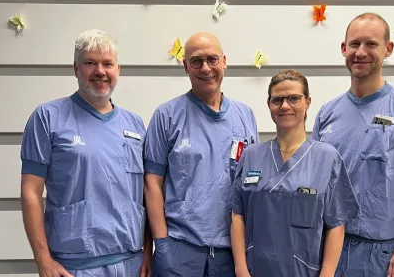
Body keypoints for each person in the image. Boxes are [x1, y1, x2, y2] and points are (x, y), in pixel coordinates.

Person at [312, 13, 394, 277]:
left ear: (388, 49)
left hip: (382, 254)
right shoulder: (327, 113)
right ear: (343, 48)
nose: (361, 52)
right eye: (354, 44)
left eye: (371, 44)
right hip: (329, 249)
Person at [20, 29, 151, 277]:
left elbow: (144, 194)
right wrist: (43, 260)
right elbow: (31, 191)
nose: (100, 71)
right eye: (90, 63)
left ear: (118, 70)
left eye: (107, 63)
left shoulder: (135, 125)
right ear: (76, 69)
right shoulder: (47, 118)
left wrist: (148, 251)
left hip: (131, 263)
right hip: (75, 267)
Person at [143, 32, 259, 277]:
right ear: (185, 66)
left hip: (232, 252)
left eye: (212, 59)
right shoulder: (166, 116)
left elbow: (252, 184)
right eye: (196, 61)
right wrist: (161, 243)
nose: (205, 68)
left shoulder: (245, 115)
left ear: (224, 61)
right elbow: (152, 182)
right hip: (180, 249)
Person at [230, 69, 359, 277]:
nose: (285, 106)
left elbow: (336, 225)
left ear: (307, 102)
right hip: (256, 271)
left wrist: (327, 275)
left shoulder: (327, 158)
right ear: (269, 105)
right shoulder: (251, 155)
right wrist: (241, 269)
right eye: (277, 100)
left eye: (294, 99)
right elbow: (238, 215)